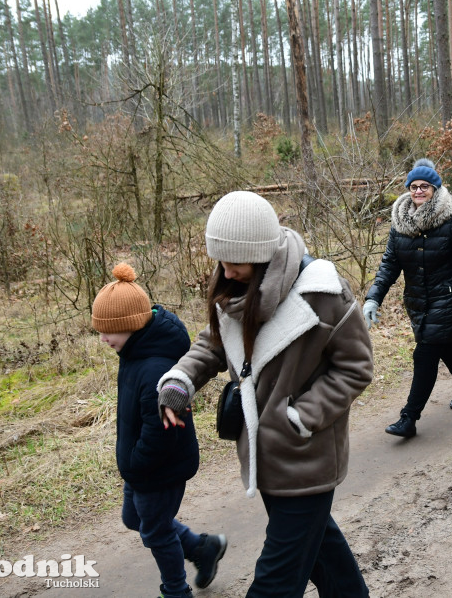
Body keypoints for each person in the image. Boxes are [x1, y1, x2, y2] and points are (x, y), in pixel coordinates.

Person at [156, 191, 372, 597]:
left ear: (259, 254)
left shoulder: (323, 294)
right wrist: (179, 380)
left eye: (234, 262)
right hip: (264, 459)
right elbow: (213, 344)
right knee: (328, 560)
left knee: (275, 582)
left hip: (307, 459)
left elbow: (356, 368)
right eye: (219, 260)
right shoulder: (235, 290)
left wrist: (299, 418)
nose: (225, 271)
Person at [91, 263, 226, 598]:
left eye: (108, 331)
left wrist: (136, 462)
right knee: (136, 520)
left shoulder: (154, 367)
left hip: (157, 469)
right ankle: (201, 548)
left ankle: (175, 591)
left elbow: (161, 431)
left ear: (131, 325)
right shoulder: (135, 351)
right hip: (140, 467)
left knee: (156, 531)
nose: (103, 338)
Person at [364, 159, 452, 438]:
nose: (418, 191)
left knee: (425, 352)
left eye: (424, 187)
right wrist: (373, 298)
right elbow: (389, 264)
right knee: (443, 343)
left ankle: (409, 418)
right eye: (413, 186)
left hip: (450, 299)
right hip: (418, 301)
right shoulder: (400, 222)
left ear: (435, 189)